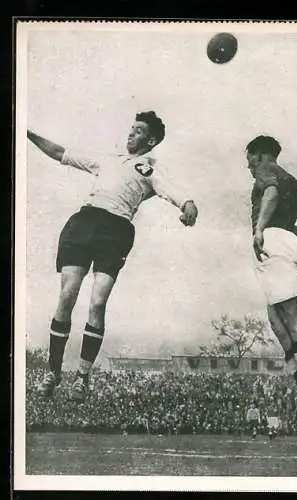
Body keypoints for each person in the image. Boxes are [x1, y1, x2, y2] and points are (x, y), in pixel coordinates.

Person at [27, 111, 198, 402]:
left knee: (97, 302)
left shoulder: (150, 168)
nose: (131, 133)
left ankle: (81, 377)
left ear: (151, 140)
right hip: (84, 222)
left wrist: (188, 206)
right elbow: (59, 152)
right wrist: (26, 133)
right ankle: (53, 372)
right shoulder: (106, 160)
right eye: (131, 128)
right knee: (67, 295)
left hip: (116, 230)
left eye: (139, 131)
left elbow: (175, 193)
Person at [244, 135, 297, 422]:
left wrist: (260, 228)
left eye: (249, 159)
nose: (248, 165)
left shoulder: (266, 170)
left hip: (273, 240)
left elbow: (270, 194)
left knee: (290, 316)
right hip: (288, 243)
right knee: (276, 320)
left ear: (259, 155)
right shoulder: (296, 183)